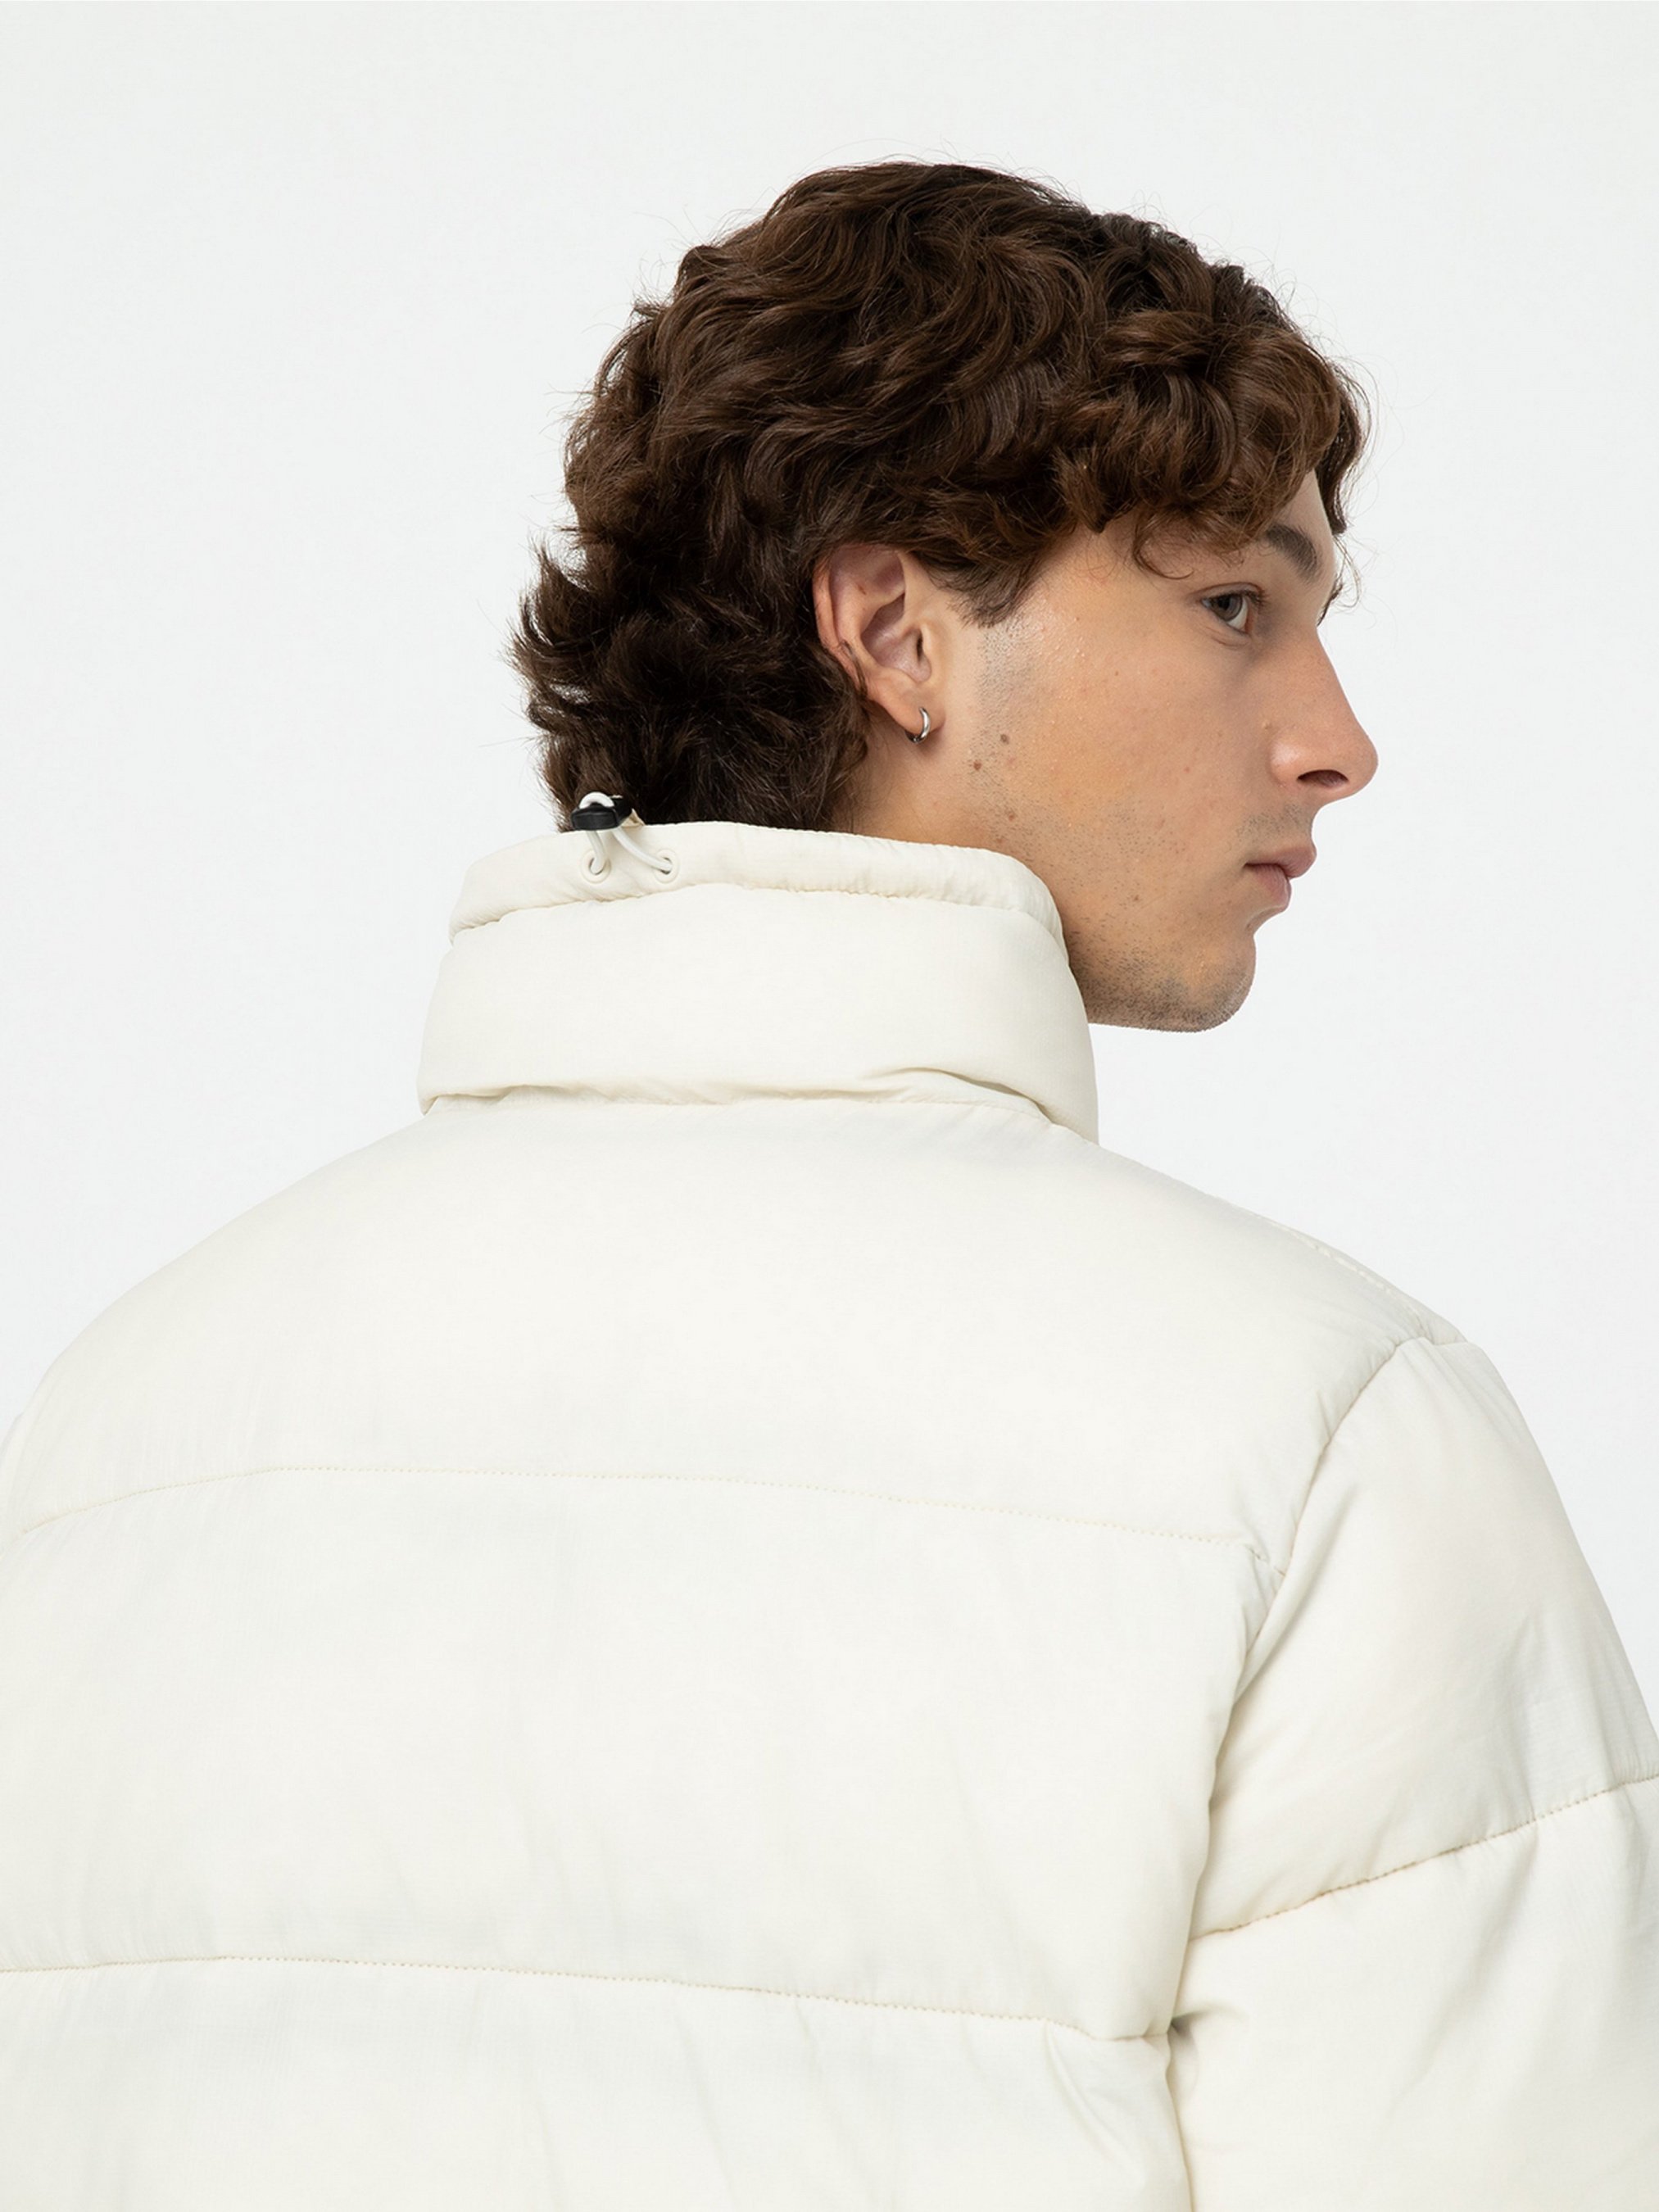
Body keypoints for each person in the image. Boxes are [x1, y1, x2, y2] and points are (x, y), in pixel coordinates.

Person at [2, 160, 1653, 2211]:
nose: (1336, 743)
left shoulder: (118, 1421)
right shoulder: (1324, 1435)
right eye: (1234, 604)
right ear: (892, 634)